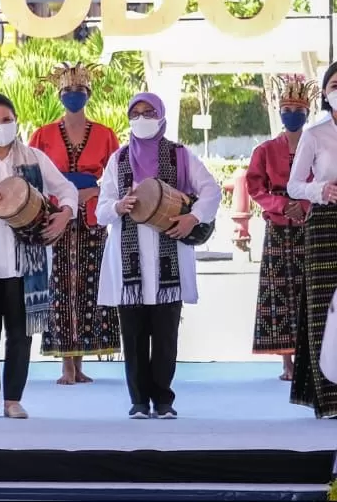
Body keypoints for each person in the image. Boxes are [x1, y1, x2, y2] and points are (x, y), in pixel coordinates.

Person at [0, 93, 76, 419]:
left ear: (16, 120)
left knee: (20, 335)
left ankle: (13, 400)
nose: (0, 126)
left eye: (6, 120)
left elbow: (66, 190)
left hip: (25, 264)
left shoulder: (34, 158)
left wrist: (64, 215)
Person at [98, 92, 222, 420]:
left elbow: (211, 190)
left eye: (148, 112)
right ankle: (139, 400)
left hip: (170, 257)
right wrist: (116, 206)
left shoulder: (180, 155)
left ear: (161, 115)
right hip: (129, 262)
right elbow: (100, 209)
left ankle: (164, 399)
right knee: (134, 334)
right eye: (135, 112)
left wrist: (193, 217)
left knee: (166, 334)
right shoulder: (119, 159)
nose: (141, 118)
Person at [30, 62, 122, 384]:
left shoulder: (105, 135)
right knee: (59, 286)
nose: (73, 96)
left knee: (88, 286)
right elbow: (32, 176)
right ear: (59, 95)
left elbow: (115, 175)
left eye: (79, 91)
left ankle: (80, 362)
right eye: (68, 91)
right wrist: (64, 194)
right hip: (56, 216)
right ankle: (65, 363)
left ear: (89, 95)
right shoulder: (42, 135)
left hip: (92, 218)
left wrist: (93, 191)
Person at [249, 74, 314, 382]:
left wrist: (302, 206)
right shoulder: (264, 150)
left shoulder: (318, 145)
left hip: (309, 224)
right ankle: (286, 362)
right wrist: (279, 205)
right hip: (277, 226)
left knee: (308, 289)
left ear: (308, 112)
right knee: (279, 292)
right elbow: (255, 186)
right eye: (286, 108)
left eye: (297, 109)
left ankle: (308, 358)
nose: (291, 114)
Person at [289, 60, 337, 418]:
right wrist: (322, 190)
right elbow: (293, 185)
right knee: (325, 308)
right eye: (334, 84)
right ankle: (330, 398)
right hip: (324, 225)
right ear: (324, 92)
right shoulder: (315, 134)